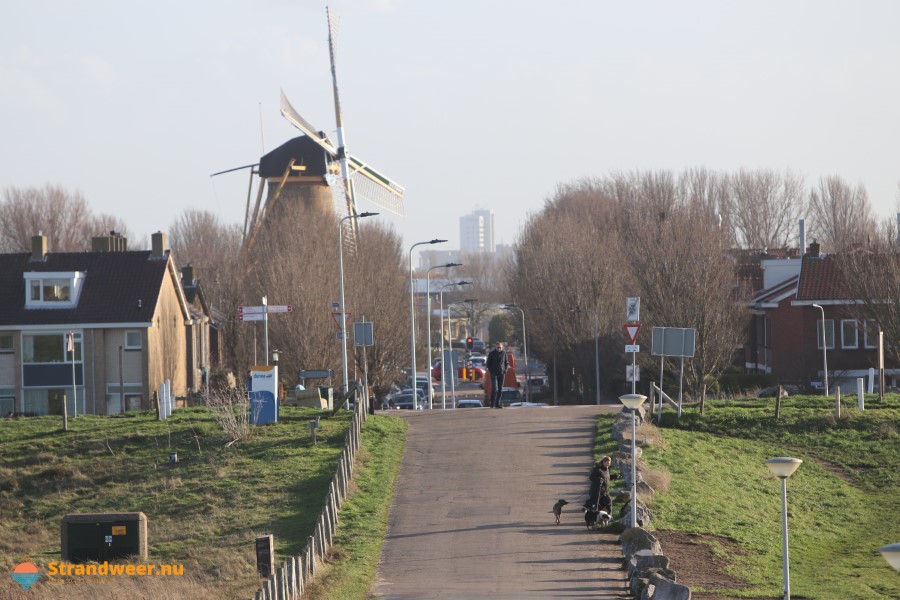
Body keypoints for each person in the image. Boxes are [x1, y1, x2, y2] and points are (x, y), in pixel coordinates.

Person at [486, 341, 509, 409]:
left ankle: (497, 403)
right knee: (494, 388)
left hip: (501, 373)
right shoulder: (491, 354)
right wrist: (491, 371)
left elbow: (506, 362)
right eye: (498, 347)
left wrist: (505, 370)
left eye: (500, 347)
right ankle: (492, 403)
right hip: (494, 374)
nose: (499, 349)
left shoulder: (504, 353)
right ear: (495, 347)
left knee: (500, 389)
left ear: (502, 347)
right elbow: (488, 364)